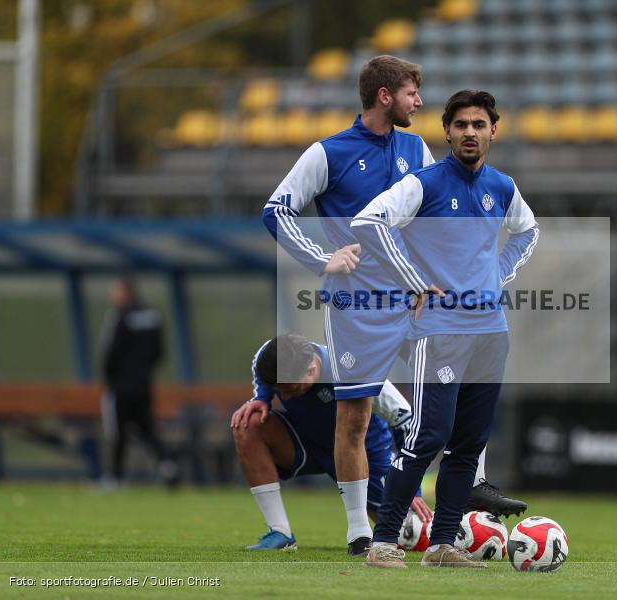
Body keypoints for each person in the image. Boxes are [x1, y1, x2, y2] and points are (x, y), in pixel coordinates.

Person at [262, 56, 526, 553]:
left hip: (418, 301)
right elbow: (276, 210)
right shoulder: (327, 153)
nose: (418, 102)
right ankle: (359, 532)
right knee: (355, 416)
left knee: (461, 389)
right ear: (385, 96)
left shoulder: (416, 148)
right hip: (357, 306)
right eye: (411, 93)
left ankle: (472, 485)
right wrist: (322, 258)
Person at [351, 90, 539, 568]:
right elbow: (368, 221)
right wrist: (413, 280)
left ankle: (441, 547)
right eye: (460, 125)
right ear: (447, 132)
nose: (470, 132)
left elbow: (528, 231)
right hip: (437, 331)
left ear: (493, 131)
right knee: (427, 437)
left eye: (479, 124)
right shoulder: (424, 184)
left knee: (469, 443)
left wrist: (498, 274)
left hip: (490, 331)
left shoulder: (502, 186)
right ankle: (383, 543)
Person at [230, 333, 432, 553]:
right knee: (247, 423)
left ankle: (454, 531)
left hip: (364, 457)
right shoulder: (271, 355)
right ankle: (280, 532)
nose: (285, 398)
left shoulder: (355, 371)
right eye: (280, 391)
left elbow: (407, 420)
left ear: (311, 369)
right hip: (306, 444)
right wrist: (262, 397)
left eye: (292, 390)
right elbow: (260, 366)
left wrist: (410, 487)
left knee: (411, 534)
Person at [99, 277, 177, 487]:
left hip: (121, 385)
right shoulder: (151, 316)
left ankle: (115, 477)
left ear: (126, 292)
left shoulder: (118, 316)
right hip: (143, 384)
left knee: (118, 430)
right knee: (146, 428)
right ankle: (167, 464)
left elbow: (110, 351)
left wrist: (109, 378)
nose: (112, 295)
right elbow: (159, 351)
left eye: (115, 291)